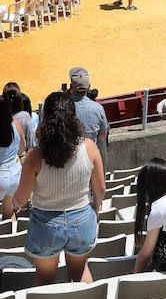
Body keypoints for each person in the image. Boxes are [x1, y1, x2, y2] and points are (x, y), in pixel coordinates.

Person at [6, 92, 105, 284]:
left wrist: (13, 204)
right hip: (82, 217)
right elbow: (100, 189)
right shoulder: (90, 147)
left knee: (45, 279)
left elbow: (22, 198)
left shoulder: (35, 155)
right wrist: (97, 209)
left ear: (45, 118)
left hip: (46, 223)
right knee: (80, 272)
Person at [68, 66, 109, 169]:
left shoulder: (65, 107)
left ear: (70, 87)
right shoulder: (98, 108)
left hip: (69, 161)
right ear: (89, 86)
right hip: (91, 160)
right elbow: (102, 139)